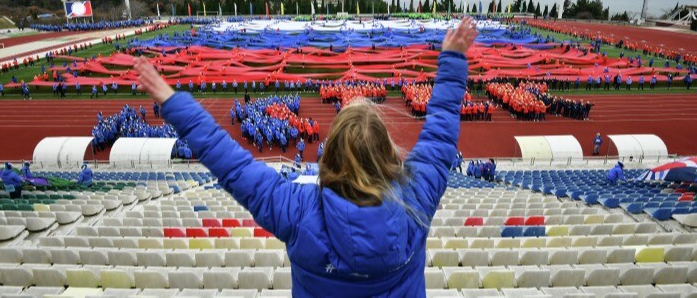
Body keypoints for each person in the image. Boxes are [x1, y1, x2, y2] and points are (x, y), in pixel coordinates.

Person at [132, 18, 477, 297]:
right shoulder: (416, 201)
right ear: (388, 155)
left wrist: (170, 99)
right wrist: (452, 61)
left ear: (331, 154)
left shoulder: (297, 210)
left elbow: (228, 160)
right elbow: (441, 130)